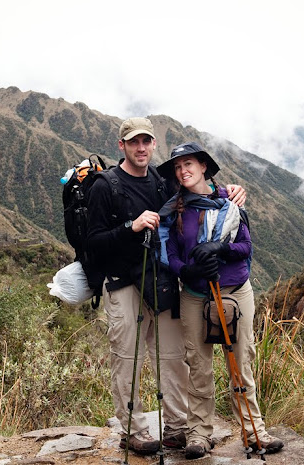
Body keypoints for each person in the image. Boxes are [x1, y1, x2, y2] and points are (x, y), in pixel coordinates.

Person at [86, 118, 246, 456]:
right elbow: (93, 242)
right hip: (123, 284)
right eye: (133, 143)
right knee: (128, 357)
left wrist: (230, 192)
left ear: (153, 144)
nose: (141, 148)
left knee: (174, 356)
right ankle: (133, 431)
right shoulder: (105, 186)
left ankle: (176, 429)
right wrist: (131, 227)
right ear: (122, 146)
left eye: (146, 142)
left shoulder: (161, 182)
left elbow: (197, 194)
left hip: (159, 281)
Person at [157, 142, 284, 460]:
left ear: (203, 167)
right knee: (198, 366)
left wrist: (219, 250)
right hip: (194, 294)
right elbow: (170, 251)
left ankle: (255, 432)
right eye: (177, 166)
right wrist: (186, 268)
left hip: (235, 292)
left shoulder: (228, 202)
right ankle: (199, 434)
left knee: (241, 364)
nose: (183, 170)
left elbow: (245, 246)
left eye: (188, 164)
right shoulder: (175, 209)